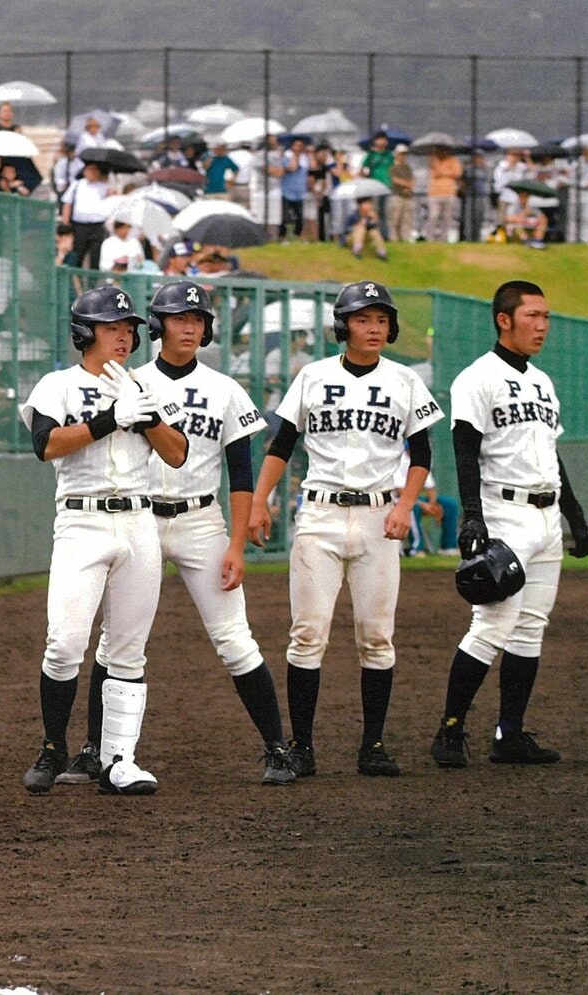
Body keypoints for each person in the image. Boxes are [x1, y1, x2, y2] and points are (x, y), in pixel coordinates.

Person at [80, 281, 294, 786]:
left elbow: (240, 475)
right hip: (139, 517)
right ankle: (94, 749)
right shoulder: (124, 381)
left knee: (234, 639)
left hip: (201, 520)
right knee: (115, 642)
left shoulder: (224, 389)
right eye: (180, 318)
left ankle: (277, 748)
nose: (191, 327)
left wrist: (237, 544)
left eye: (198, 319)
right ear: (156, 326)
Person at [248, 281, 444, 779]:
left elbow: (421, 455)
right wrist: (260, 501)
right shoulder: (312, 376)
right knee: (307, 633)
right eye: (363, 319)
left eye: (381, 320)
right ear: (343, 326)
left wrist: (405, 505)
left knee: (377, 637)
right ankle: (304, 746)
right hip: (320, 515)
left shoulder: (404, 381)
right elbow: (281, 443)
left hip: (381, 517)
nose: (374, 328)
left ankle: (373, 744)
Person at [18, 287, 187, 795]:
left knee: (129, 649)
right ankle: (52, 748)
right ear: (85, 333)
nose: (125, 336)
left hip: (138, 520)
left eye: (129, 328)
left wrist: (149, 415)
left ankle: (120, 759)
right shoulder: (59, 384)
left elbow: (177, 454)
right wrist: (110, 418)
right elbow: (45, 445)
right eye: (113, 327)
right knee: (66, 643)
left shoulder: (143, 385)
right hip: (81, 520)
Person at [430, 280, 588, 769]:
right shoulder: (477, 378)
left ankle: (510, 735)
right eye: (533, 316)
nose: (542, 325)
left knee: (531, 629)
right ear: (504, 319)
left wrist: (576, 517)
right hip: (504, 514)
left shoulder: (543, 382)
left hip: (545, 518)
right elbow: (464, 450)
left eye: (546, 316)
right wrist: (472, 516)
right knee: (491, 625)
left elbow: (552, 455)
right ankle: (449, 732)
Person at [272, 138, 310, 240]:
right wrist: (295, 156)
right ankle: (282, 237)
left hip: (300, 191)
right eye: (296, 145)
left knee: (300, 217)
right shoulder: (286, 157)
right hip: (287, 191)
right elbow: (292, 168)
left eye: (300, 145)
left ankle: (298, 236)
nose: (298, 148)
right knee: (285, 217)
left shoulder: (305, 159)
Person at [425, 146, 463, 243]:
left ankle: (444, 238)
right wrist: (447, 172)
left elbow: (457, 173)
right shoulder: (433, 160)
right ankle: (430, 238)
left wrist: (443, 173)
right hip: (434, 193)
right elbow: (435, 173)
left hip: (449, 192)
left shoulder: (454, 161)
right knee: (433, 216)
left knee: (447, 217)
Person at [387, 145, 415, 242]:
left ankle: (405, 239)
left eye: (404, 154)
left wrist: (408, 186)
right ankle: (394, 239)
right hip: (396, 195)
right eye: (401, 154)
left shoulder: (408, 168)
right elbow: (394, 180)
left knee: (406, 219)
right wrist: (407, 184)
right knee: (395, 219)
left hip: (407, 197)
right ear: (396, 155)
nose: (403, 156)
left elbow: (412, 181)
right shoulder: (392, 167)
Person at [347, 196, 388, 261]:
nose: (369, 206)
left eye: (370, 203)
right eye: (366, 203)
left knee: (374, 231)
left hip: (364, 239)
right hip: (351, 239)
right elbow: (346, 230)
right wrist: (359, 224)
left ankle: (381, 252)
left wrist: (375, 219)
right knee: (361, 228)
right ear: (359, 205)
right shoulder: (353, 215)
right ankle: (356, 250)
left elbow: (373, 228)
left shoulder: (371, 215)